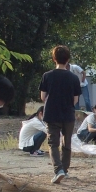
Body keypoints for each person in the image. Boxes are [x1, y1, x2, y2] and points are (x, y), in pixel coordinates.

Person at [39, 45, 82, 184]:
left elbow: (43, 97)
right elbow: (75, 100)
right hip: (68, 114)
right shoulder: (74, 78)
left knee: (53, 143)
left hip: (51, 113)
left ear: (54, 59)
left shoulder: (47, 76)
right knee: (67, 142)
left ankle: (58, 170)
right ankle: (65, 169)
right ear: (68, 59)